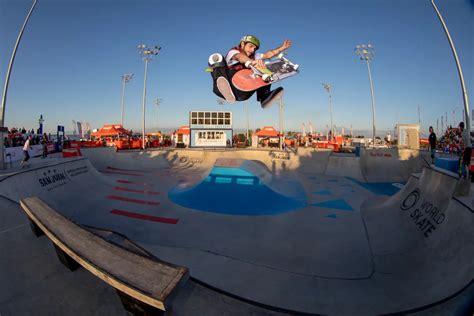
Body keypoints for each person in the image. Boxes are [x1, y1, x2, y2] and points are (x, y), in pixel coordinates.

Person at [209, 35, 291, 108]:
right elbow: (240, 57)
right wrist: (252, 62)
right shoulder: (234, 51)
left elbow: (268, 54)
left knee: (265, 68)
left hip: (243, 92)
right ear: (242, 44)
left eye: (254, 48)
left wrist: (282, 48)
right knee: (216, 57)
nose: (252, 50)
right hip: (230, 83)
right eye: (250, 46)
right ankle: (222, 86)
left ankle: (264, 97)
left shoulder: (255, 56)